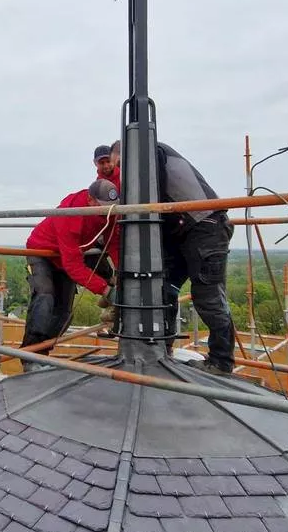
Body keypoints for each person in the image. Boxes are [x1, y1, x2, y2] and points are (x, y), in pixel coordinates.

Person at [110, 140, 236, 374]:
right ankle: (162, 348)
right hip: (186, 231)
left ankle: (221, 361)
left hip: (205, 226)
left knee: (208, 296)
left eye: (119, 164)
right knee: (164, 287)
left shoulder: (149, 152)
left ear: (124, 153)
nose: (121, 171)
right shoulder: (151, 156)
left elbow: (150, 197)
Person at [21, 179, 120, 368]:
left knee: (64, 313)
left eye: (112, 207)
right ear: (90, 200)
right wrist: (106, 290)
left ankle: (42, 354)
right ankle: (29, 357)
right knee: (45, 297)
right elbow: (73, 265)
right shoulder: (71, 214)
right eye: (103, 207)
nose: (108, 211)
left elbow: (113, 243)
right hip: (42, 252)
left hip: (67, 255)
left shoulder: (107, 212)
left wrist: (120, 272)